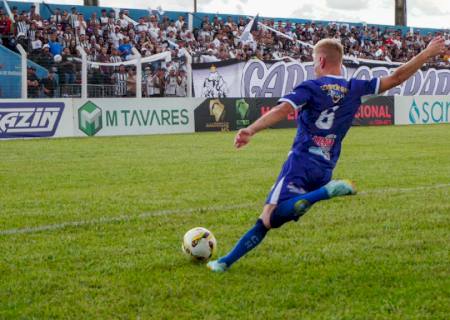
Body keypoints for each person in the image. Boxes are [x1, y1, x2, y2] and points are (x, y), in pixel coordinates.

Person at [207, 37, 447, 272]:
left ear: (321, 61)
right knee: (282, 212)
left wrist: (250, 129)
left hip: (301, 163)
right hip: (326, 166)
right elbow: (397, 77)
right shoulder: (354, 88)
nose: (313, 66)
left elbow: (283, 109)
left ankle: (322, 194)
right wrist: (427, 53)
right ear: (339, 62)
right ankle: (225, 263)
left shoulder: (311, 87)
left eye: (313, 61)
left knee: (268, 218)